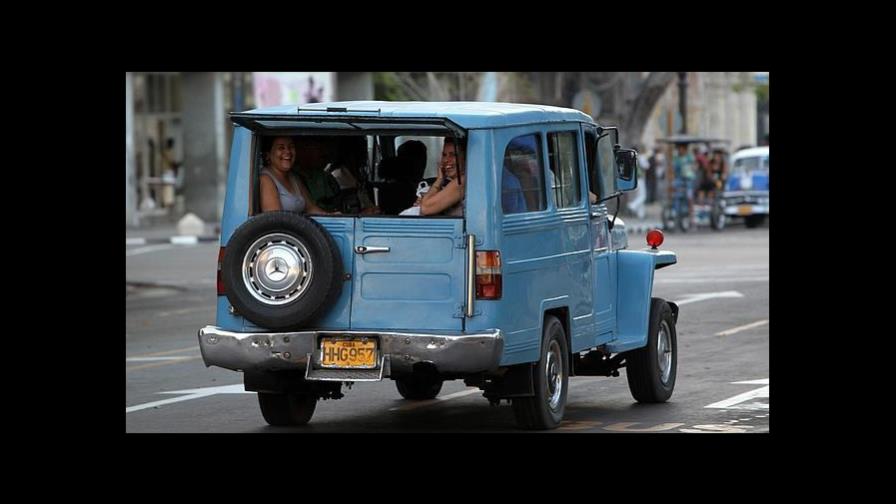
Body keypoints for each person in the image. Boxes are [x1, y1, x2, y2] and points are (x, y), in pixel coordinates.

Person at [259, 136, 337, 215]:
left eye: (291, 147)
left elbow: (310, 208)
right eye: (281, 148)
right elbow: (275, 218)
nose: (288, 151)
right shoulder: (266, 179)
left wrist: (330, 216)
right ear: (268, 155)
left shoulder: (293, 177)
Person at [294, 136, 343, 213]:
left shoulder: (326, 176)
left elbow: (337, 201)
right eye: (319, 149)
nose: (325, 153)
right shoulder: (291, 177)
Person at [420, 137, 465, 216]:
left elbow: (425, 208)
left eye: (453, 155)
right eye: (444, 155)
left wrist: (439, 180)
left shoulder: (462, 181)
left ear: (465, 158)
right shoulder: (451, 183)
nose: (446, 160)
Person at [672, 142, 696, 220]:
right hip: (679, 179)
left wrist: (690, 169)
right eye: (679, 149)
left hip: (689, 180)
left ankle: (691, 214)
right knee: (675, 192)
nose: (680, 150)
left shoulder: (690, 157)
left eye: (681, 148)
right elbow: (674, 170)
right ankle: (675, 211)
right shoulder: (677, 159)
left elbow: (693, 167)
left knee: (689, 195)